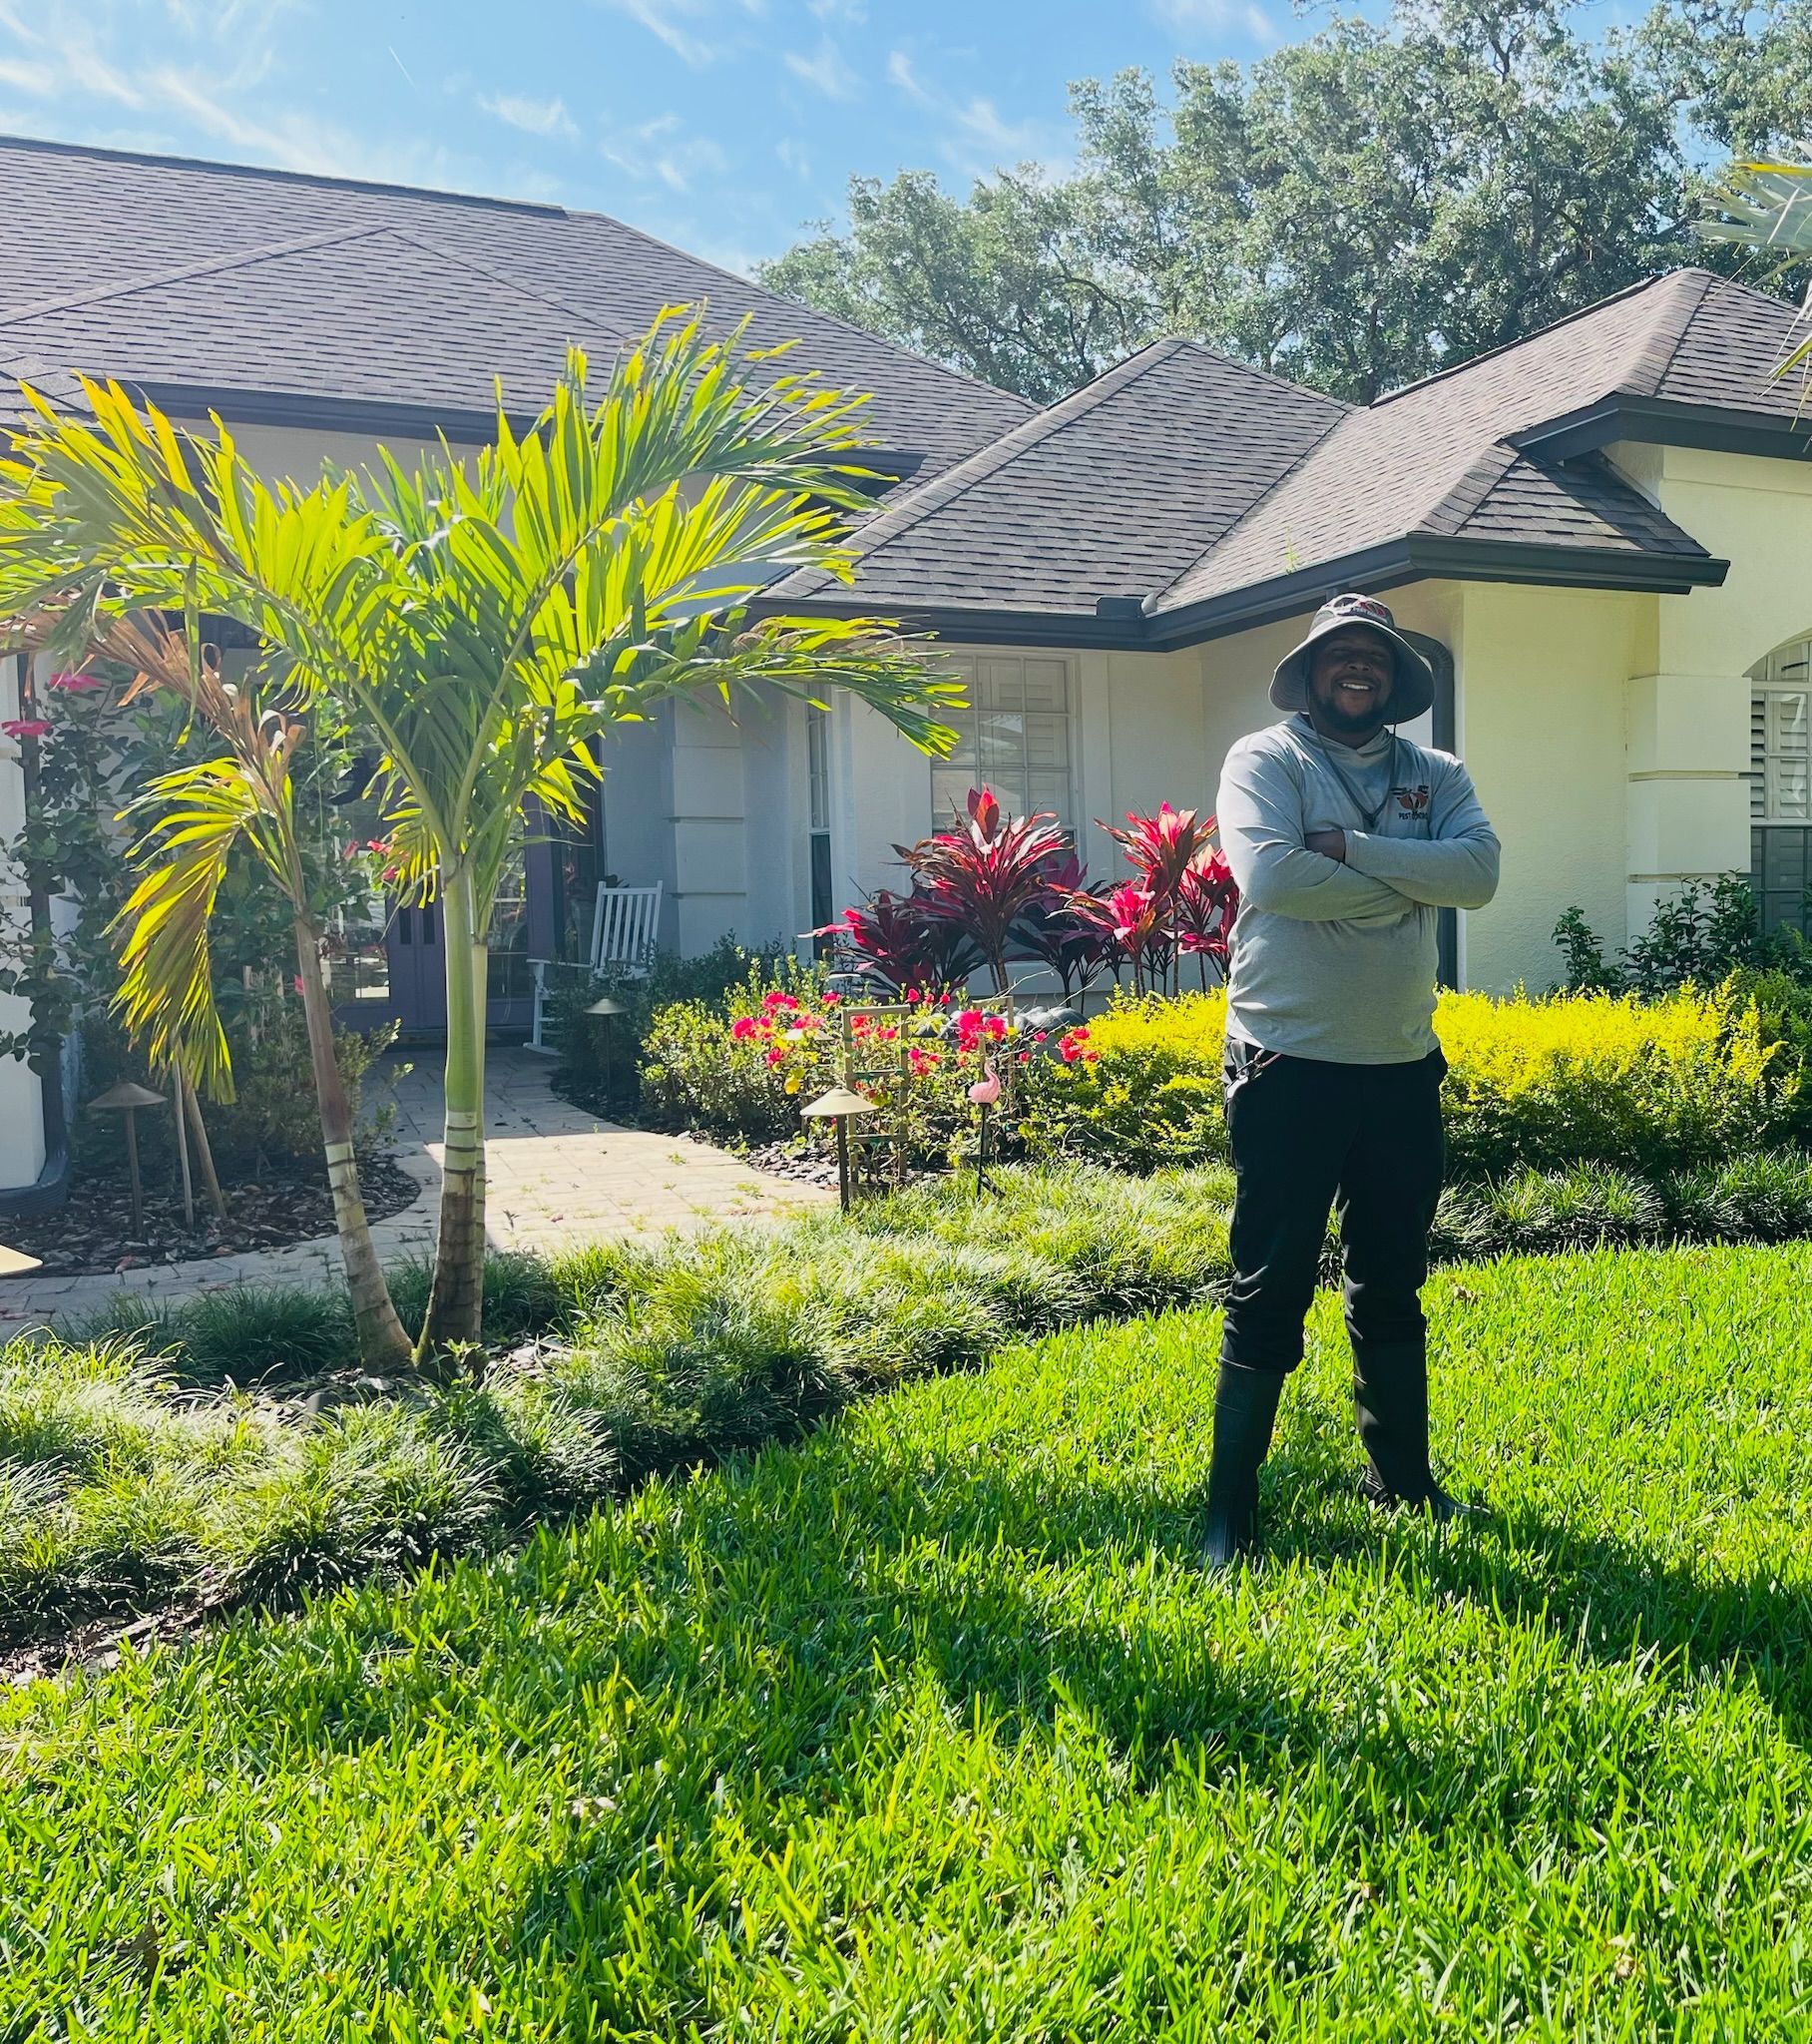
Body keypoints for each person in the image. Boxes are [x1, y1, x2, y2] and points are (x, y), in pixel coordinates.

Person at [1204, 592, 1501, 1566]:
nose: (1357, 668)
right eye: (1341, 654)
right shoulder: (1267, 760)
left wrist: (1360, 854)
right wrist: (1410, 879)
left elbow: (1479, 876)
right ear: (1314, 668)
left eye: (1373, 654)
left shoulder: (1436, 771)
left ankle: (1402, 1484)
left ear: (1393, 674)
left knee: (1392, 1280)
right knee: (1270, 1284)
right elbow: (1274, 879)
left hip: (1400, 1067)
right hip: (1288, 1061)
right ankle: (1228, 1514)